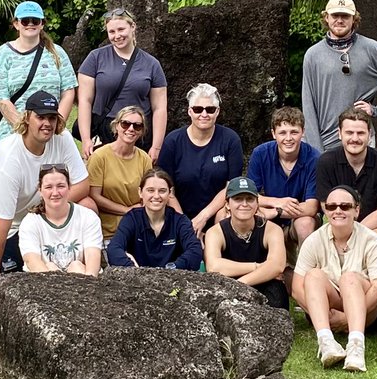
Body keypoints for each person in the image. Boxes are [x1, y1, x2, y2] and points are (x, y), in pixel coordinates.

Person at [0, 91, 91, 301]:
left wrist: (46, 209)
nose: (47, 124)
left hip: (39, 207)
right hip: (5, 217)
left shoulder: (62, 138)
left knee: (87, 205)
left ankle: (83, 263)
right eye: (40, 117)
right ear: (27, 118)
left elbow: (83, 185)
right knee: (14, 273)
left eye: (52, 118)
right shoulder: (8, 160)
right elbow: (2, 224)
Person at [292, 186, 377, 372]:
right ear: (325, 210)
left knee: (349, 278)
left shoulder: (371, 239)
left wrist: (345, 319)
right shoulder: (314, 240)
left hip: (368, 310)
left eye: (345, 206)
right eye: (332, 206)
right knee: (313, 275)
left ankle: (356, 347)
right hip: (331, 307)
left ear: (356, 210)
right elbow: (297, 288)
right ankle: (326, 341)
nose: (338, 211)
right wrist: (325, 315)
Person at [301, 0, 377, 151]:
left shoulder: (372, 49)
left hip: (361, 139)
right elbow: (308, 103)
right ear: (326, 18)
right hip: (326, 142)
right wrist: (314, 149)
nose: (340, 20)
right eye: (335, 15)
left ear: (354, 19)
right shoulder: (313, 54)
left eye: (345, 16)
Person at [77, 8, 168, 162]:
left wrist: (156, 146)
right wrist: (86, 139)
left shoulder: (152, 64)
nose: (117, 36)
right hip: (105, 129)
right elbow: (85, 101)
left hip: (138, 131)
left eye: (121, 29)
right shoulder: (95, 58)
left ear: (133, 27)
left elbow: (159, 107)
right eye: (111, 32)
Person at [0, 0, 78, 141]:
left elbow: (68, 91)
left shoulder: (57, 53)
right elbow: (1, 98)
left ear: (42, 24)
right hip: (14, 132)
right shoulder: (4, 53)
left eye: (35, 21)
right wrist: (25, 130)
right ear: (16, 24)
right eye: (25, 21)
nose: (30, 24)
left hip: (51, 130)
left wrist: (56, 124)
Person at [315, 108, 377, 266]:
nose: (355, 138)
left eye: (360, 133)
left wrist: (355, 233)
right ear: (340, 134)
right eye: (349, 133)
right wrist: (345, 230)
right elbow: (327, 205)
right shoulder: (326, 162)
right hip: (338, 221)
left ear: (370, 134)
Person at [159, 83, 245, 235]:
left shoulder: (231, 140)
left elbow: (231, 187)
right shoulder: (172, 141)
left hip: (217, 213)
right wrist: (186, 224)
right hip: (178, 213)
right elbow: (166, 189)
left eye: (210, 109)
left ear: (217, 112)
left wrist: (203, 217)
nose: (204, 114)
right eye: (198, 109)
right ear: (189, 112)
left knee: (225, 220)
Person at [204, 176, 288, 309]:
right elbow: (214, 267)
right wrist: (258, 266)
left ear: (257, 204)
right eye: (238, 199)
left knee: (278, 297)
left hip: (263, 281)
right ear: (227, 204)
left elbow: (277, 266)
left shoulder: (272, 230)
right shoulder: (215, 232)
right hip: (227, 281)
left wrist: (241, 283)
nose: (244, 204)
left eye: (249, 199)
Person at [246, 106, 320, 252]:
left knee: (305, 223)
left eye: (294, 132)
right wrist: (278, 202)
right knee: (242, 211)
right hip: (267, 216)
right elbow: (250, 195)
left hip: (298, 219)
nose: (288, 138)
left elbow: (311, 207)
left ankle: (305, 269)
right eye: (282, 133)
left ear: (303, 132)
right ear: (274, 134)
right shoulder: (260, 154)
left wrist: (277, 211)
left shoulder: (315, 158)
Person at [106, 169, 203, 270]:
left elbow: (195, 252)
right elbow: (113, 249)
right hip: (137, 282)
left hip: (172, 281)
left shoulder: (180, 221)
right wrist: (133, 269)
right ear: (140, 192)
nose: (156, 196)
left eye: (162, 191)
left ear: (170, 193)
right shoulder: (132, 218)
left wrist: (171, 268)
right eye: (150, 190)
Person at [18, 164, 103, 275]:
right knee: (50, 267)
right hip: (43, 283)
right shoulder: (30, 222)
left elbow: (92, 266)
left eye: (60, 186)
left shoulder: (88, 217)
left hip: (82, 283)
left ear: (69, 188)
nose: (55, 193)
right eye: (49, 187)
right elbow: (32, 261)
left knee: (76, 266)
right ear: (40, 190)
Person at [86, 106, 153, 239]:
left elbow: (149, 191)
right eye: (125, 124)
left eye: (137, 126)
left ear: (142, 131)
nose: (131, 129)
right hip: (109, 231)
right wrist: (127, 211)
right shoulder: (100, 157)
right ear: (116, 126)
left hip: (138, 228)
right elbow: (94, 196)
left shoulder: (144, 158)